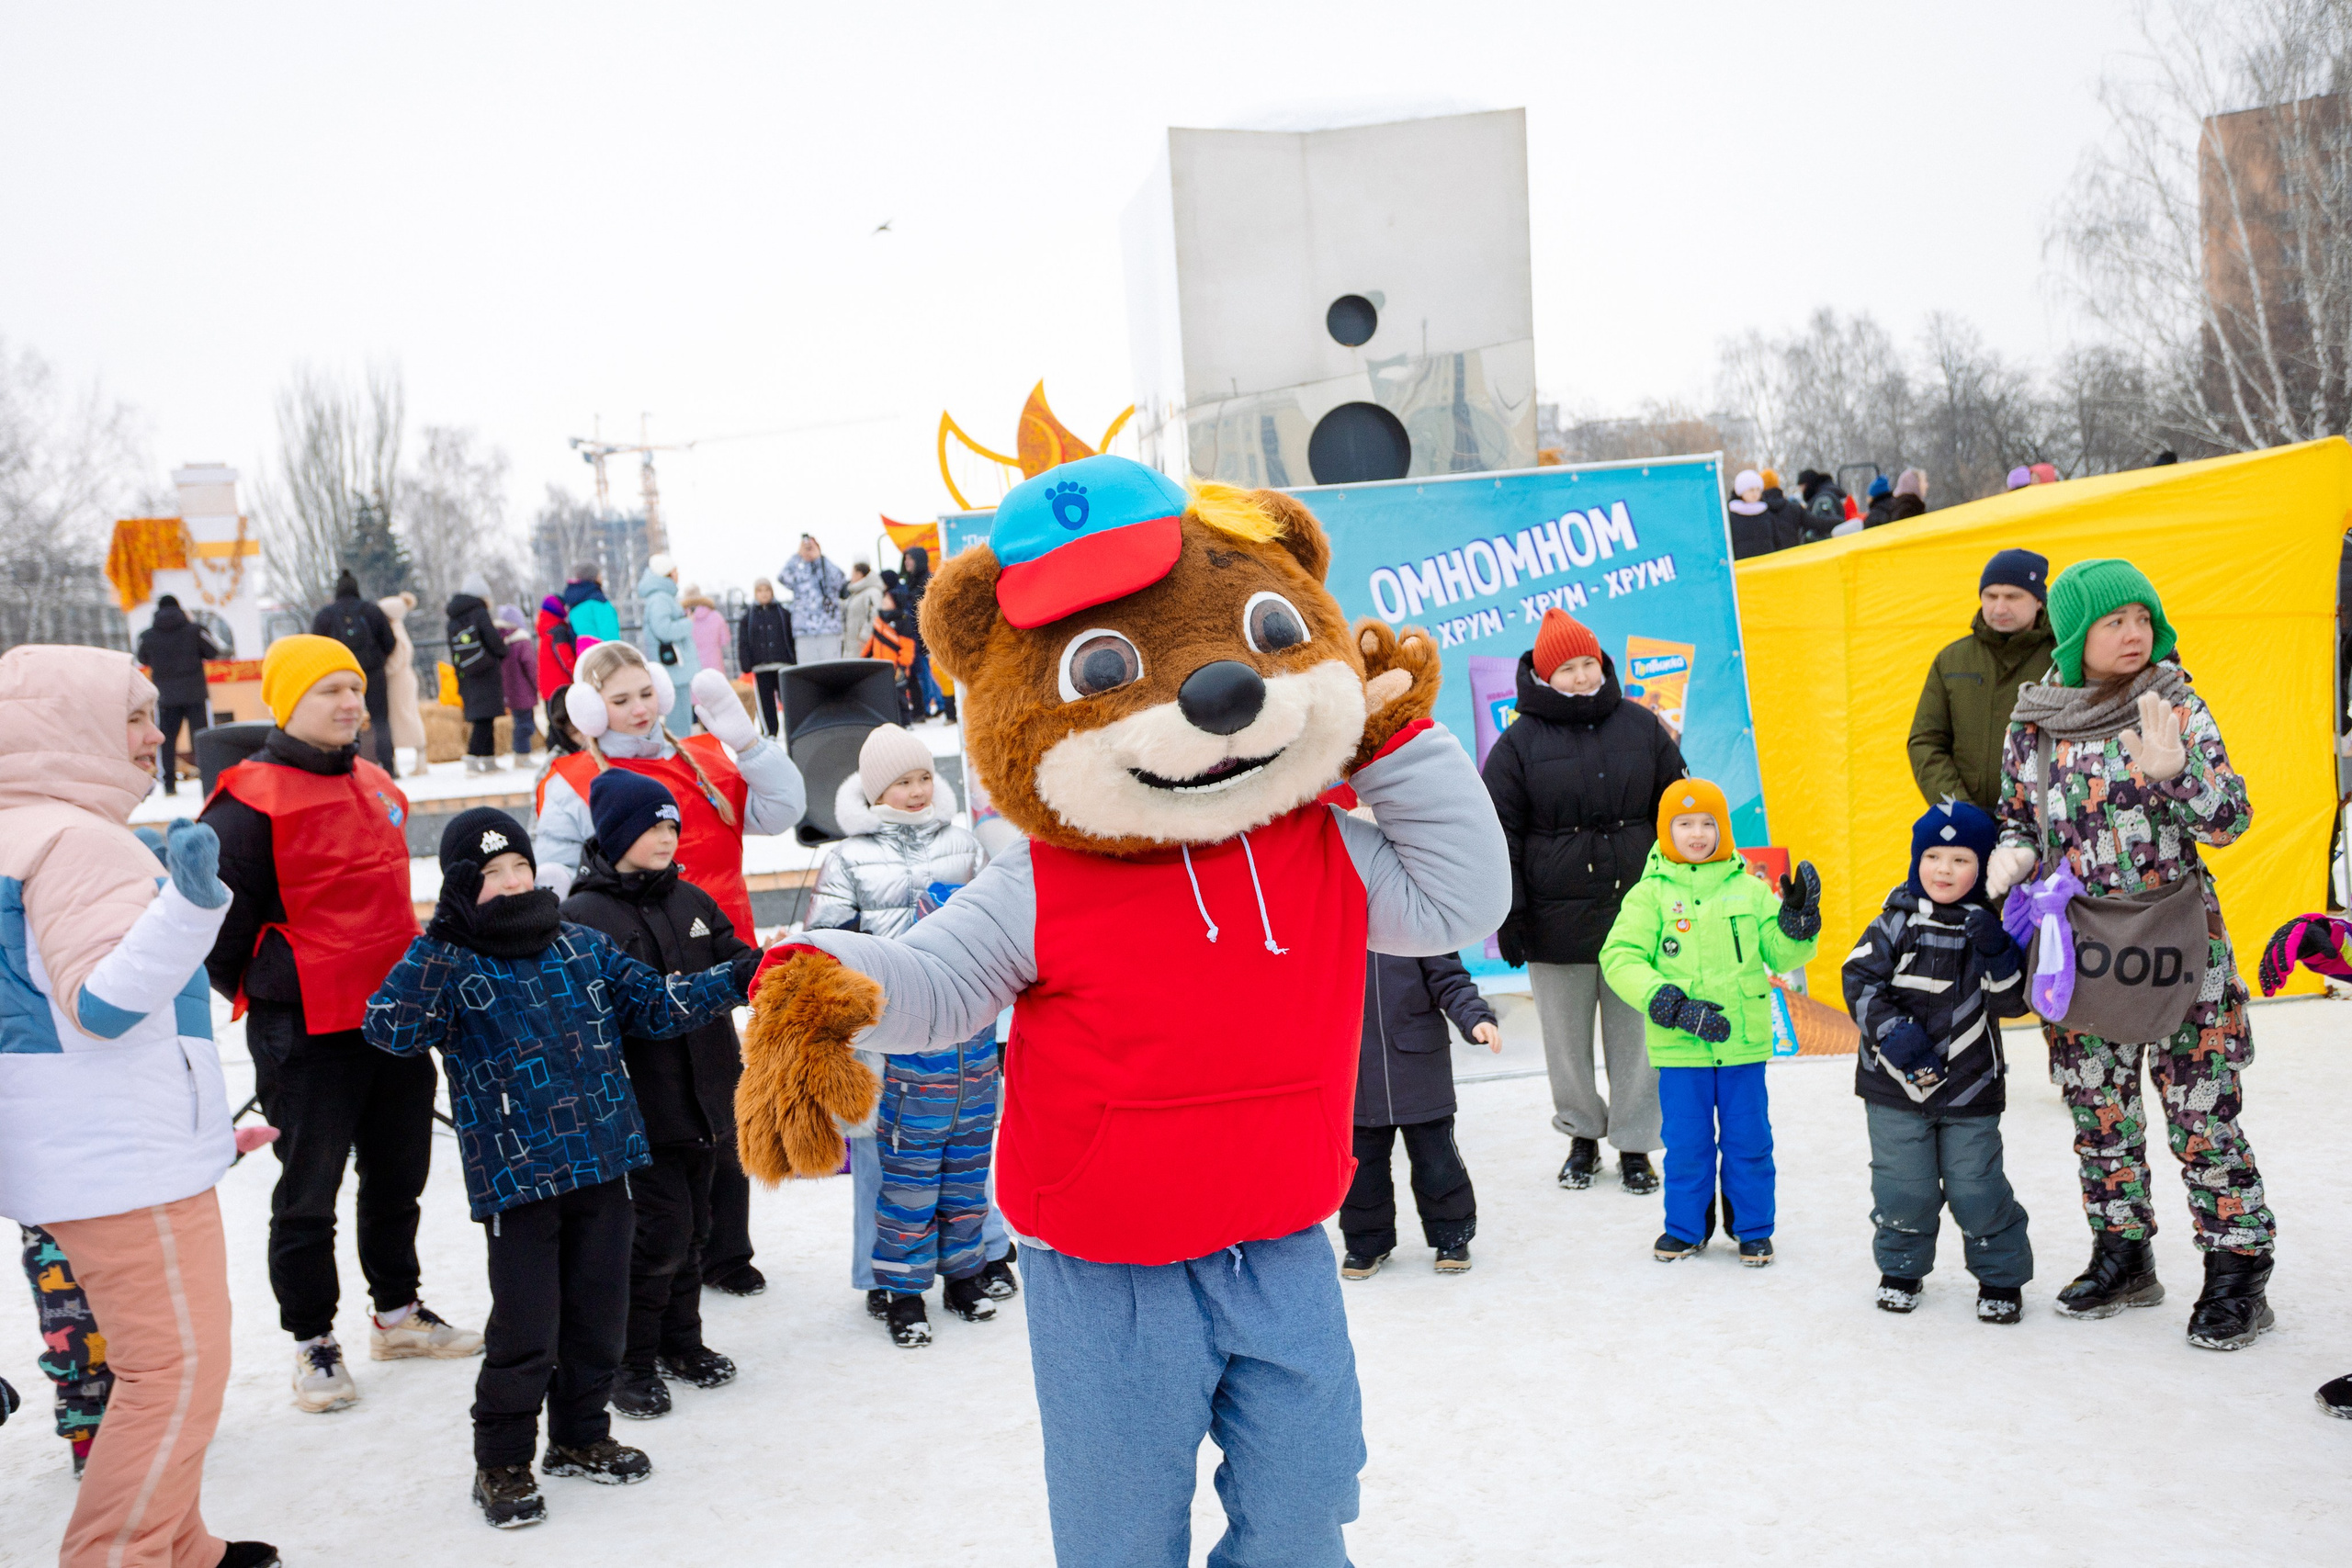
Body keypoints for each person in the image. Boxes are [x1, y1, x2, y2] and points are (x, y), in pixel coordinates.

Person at [364, 807, 759, 1529]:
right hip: (518, 1182)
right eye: (489, 876)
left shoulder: (581, 945)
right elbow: (388, 1026)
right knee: (526, 1328)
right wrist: (439, 939)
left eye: (519, 866)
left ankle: (580, 1436)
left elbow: (659, 1003)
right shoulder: (452, 961)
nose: (512, 883)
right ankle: (504, 1459)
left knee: (599, 1316)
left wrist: (740, 975)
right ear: (460, 890)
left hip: (606, 1162)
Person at [0, 645, 278, 1568]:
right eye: (133, 715)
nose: (156, 733)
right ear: (65, 723)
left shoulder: (20, 831)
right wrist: (191, 907)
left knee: (165, 1367)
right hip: (121, 1163)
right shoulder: (75, 840)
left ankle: (180, 1544)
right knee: (175, 1373)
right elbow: (107, 1005)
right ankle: (121, 1555)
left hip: (91, 1151)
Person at [1984, 558, 2275, 1348]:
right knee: (2098, 1107)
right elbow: (2016, 811)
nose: (2134, 633)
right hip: (2080, 945)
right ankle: (2124, 1251)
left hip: (2179, 939)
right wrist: (2011, 852)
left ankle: (2237, 1268)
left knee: (2202, 1110)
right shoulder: (2036, 717)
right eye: (2115, 621)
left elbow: (2230, 820)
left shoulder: (2174, 703)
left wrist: (2178, 776)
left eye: (2143, 618)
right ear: (2078, 634)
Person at [200, 634, 478, 1415]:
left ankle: (397, 1312)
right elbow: (221, 933)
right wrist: (279, 988)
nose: (351, 702)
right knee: (309, 1192)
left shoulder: (376, 781)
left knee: (399, 1177)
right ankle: (312, 1340)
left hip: (393, 1018)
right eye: (330, 690)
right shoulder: (246, 802)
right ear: (288, 702)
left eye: (355, 688)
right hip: (308, 1031)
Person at [807, 726, 1014, 1348]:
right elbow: (829, 940)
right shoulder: (847, 856)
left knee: (963, 1157)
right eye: (903, 781)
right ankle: (892, 1280)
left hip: (963, 1026)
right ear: (877, 790)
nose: (918, 790)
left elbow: (994, 924)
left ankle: (966, 1269)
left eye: (925, 776)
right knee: (896, 1166)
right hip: (892, 1032)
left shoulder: (964, 844)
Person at [559, 773, 754, 1416]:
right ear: (616, 833)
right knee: (657, 1236)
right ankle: (630, 1362)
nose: (667, 836)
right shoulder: (585, 917)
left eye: (672, 825)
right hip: (640, 1110)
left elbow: (733, 955)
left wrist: (764, 967)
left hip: (706, 1098)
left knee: (696, 1228)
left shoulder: (692, 898)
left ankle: (682, 1341)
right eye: (652, 826)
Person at [1484, 609, 1685, 1193]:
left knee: (1638, 1041)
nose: (1579, 677)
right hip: (1555, 920)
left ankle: (1635, 1145)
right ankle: (1580, 1136)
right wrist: (1511, 917)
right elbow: (1501, 835)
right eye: (1567, 668)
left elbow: (1677, 813)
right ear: (1545, 675)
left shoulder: (1642, 727)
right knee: (1566, 1042)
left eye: (1587, 665)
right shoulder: (1517, 745)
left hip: (1637, 918)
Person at [1600, 779, 1820, 1266]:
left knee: (1749, 1140)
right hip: (1681, 1048)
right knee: (1687, 1144)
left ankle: (1753, 1229)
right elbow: (1619, 957)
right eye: (1685, 824)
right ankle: (1685, 1228)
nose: (1697, 834)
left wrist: (1798, 923)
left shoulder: (1749, 889)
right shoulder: (1649, 896)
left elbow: (1781, 952)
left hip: (1742, 1044)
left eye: (1708, 823)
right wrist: (1667, 1003)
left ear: (1723, 829)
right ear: (1666, 830)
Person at [1843, 799, 2034, 1324]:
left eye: (1960, 860)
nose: (1944, 870)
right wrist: (1895, 1036)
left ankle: (2000, 1276)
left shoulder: (1989, 927)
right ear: (1915, 860)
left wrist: (1999, 953)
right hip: (1895, 1085)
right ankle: (1901, 1268)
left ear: (1982, 868)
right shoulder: (1894, 923)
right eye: (1932, 856)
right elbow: (1858, 981)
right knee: (1904, 1186)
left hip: (1970, 1087)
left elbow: (2012, 1003)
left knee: (1977, 1187)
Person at [534, 641, 807, 933]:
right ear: (591, 709)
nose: (640, 709)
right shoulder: (572, 784)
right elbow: (562, 877)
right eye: (621, 701)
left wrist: (750, 746)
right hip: (642, 966)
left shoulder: (704, 763)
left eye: (647, 694)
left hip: (733, 951)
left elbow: (782, 812)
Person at [1340, 944, 1500, 1280]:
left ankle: (1451, 1236)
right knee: (1361, 1167)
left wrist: (1475, 1018)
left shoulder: (1415, 926)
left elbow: (1451, 981)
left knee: (1437, 1160)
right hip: (1353, 1073)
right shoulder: (1327, 927)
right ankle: (1367, 1243)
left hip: (1418, 1066)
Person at [1906, 548, 2055, 814]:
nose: (1999, 607)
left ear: (2039, 601)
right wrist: (1959, 809)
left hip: (2046, 820)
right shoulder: (1952, 660)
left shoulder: (2062, 658)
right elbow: (1925, 742)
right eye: (1991, 596)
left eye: (2012, 596)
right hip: (1968, 821)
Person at [17, 1224, 112, 1475]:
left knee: (152, 1330)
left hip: (135, 1217)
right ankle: (87, 1436)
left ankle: (167, 1417)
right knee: (77, 1342)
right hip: (54, 1229)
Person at [311, 568, 399, 770]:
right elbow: (390, 642)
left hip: (339, 677)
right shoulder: (371, 610)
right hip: (374, 673)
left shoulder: (326, 615)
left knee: (345, 720)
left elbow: (316, 645)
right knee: (380, 719)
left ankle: (351, 764)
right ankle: (389, 764)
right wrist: (378, 660)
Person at [135, 592, 218, 794]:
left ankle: (170, 784)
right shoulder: (194, 630)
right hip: (195, 694)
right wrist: (193, 625)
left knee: (167, 741)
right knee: (202, 738)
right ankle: (209, 782)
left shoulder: (147, 635)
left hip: (166, 697)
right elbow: (213, 651)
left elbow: (142, 658)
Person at [447, 574, 510, 774]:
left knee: (483, 717)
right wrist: (502, 651)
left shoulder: (453, 619)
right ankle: (473, 758)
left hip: (467, 674)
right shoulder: (480, 613)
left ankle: (489, 760)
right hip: (486, 673)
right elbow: (492, 639)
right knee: (485, 719)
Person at [638, 553, 701, 737]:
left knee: (680, 716)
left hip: (673, 667)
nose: (678, 574)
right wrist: (687, 622)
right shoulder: (660, 598)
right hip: (674, 667)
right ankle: (680, 753)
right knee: (679, 718)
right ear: (668, 574)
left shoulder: (660, 597)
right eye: (675, 571)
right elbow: (663, 629)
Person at [738, 578, 796, 738]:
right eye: (760, 591)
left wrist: (792, 659)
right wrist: (746, 662)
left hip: (782, 664)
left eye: (767, 590)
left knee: (788, 699)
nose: (764, 594)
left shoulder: (783, 614)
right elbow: (744, 642)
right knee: (765, 702)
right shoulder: (748, 617)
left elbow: (790, 638)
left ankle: (792, 728)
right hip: (761, 665)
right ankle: (770, 731)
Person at [777, 534, 848, 662]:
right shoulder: (799, 573)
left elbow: (840, 579)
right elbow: (782, 577)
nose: (809, 550)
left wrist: (819, 557)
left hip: (829, 630)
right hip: (804, 632)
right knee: (807, 672)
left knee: (831, 671)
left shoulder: (827, 569)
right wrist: (798, 555)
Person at [380, 590, 430, 776]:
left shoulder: (395, 630)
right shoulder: (397, 628)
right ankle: (419, 760)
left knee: (406, 716)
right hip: (401, 678)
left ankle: (420, 760)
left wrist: (384, 671)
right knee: (406, 715)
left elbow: (398, 658)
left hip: (398, 679)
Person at [497, 604, 539, 762]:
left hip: (509, 690)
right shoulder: (522, 641)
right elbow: (530, 665)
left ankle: (520, 753)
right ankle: (523, 755)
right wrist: (536, 685)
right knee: (526, 724)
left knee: (519, 723)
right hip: (524, 690)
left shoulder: (501, 640)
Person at [1725, 468, 1798, 559]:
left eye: (1758, 489)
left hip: (1767, 566)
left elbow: (1777, 541)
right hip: (1742, 568)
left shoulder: (1766, 513)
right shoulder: (1731, 516)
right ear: (1741, 491)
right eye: (1751, 490)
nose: (1755, 493)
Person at [562, 562, 621, 646]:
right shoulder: (598, 602)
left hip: (584, 654)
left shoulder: (573, 603)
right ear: (594, 577)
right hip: (603, 654)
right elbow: (609, 634)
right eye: (600, 575)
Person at [537, 592, 580, 704]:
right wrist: (577, 674)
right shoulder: (558, 630)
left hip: (547, 688)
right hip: (561, 686)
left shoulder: (544, 629)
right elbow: (566, 657)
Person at [682, 582, 731, 678]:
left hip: (691, 666)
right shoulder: (716, 616)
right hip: (715, 664)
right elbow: (725, 640)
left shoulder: (682, 619)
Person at [840, 559, 884, 649]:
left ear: (859, 574)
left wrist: (865, 637)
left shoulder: (872, 592)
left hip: (863, 644)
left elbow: (874, 615)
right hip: (852, 644)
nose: (850, 577)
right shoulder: (857, 593)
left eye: (852, 573)